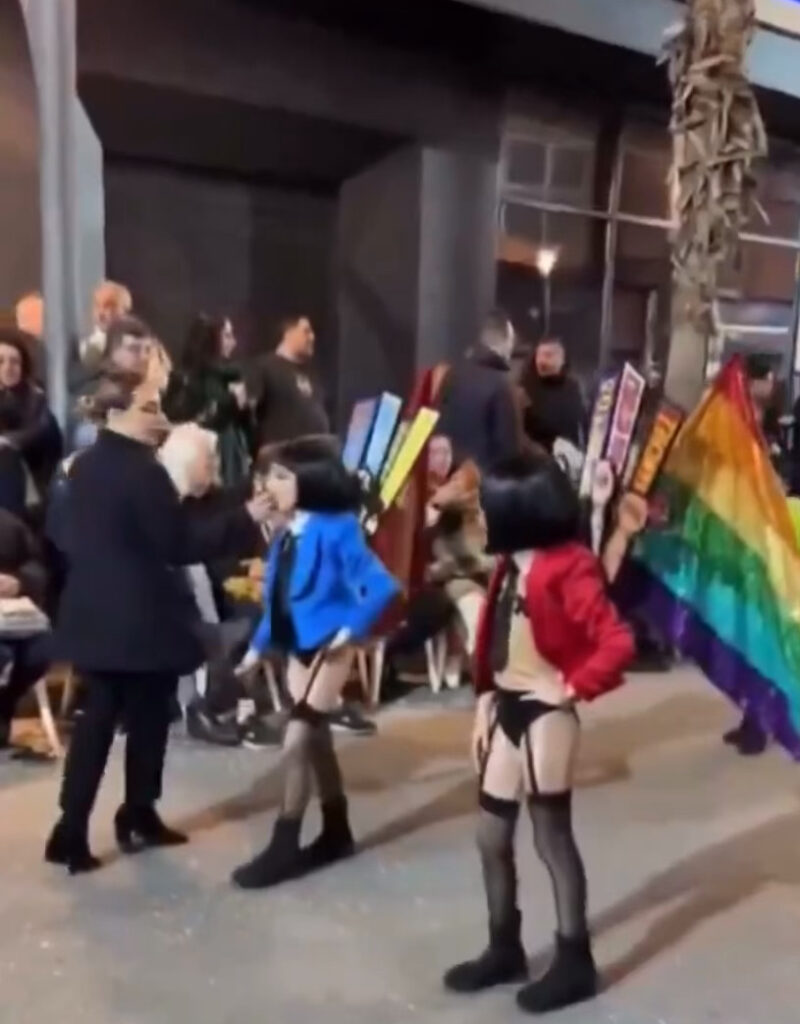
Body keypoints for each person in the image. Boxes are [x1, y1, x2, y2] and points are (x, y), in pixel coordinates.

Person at [44, 374, 273, 875]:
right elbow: (179, 544)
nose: (162, 418)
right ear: (117, 413)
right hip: (138, 618)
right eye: (150, 409)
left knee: (102, 722)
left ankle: (73, 827)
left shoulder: (79, 467)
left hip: (94, 612)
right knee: (142, 720)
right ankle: (135, 814)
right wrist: (247, 516)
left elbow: (63, 535)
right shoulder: (143, 472)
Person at [443, 452, 634, 1014]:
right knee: (490, 836)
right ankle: (505, 946)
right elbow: (495, 639)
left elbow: (615, 642)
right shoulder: (510, 564)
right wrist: (483, 699)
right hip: (507, 706)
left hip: (547, 714)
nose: (478, 513)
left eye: (486, 504)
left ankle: (575, 961)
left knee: (551, 839)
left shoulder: (567, 565)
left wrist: (570, 688)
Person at [230, 436, 399, 890]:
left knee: (297, 738)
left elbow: (381, 585)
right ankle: (336, 829)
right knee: (317, 743)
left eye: (283, 476)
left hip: (329, 646)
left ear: (310, 481)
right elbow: (277, 603)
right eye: (271, 475)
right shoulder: (286, 534)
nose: (271, 484)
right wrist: (254, 651)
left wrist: (350, 629)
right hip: (294, 647)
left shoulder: (337, 528)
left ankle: (285, 841)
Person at [722, 353, 779, 757]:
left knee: (764, 636)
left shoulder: (766, 427)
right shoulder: (738, 425)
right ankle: (751, 718)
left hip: (771, 539)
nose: (771, 385)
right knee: (749, 635)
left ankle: (761, 722)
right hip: (750, 536)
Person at [164, 314, 251, 486]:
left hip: (229, 458)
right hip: (194, 460)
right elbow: (179, 418)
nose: (233, 343)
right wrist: (232, 402)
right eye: (226, 335)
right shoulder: (185, 379)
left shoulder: (231, 377)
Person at [436, 309, 522, 469]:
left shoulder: (451, 375)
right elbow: (509, 453)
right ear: (505, 341)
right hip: (483, 485)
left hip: (451, 482)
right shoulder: (501, 385)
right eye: (512, 341)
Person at [0, 507, 53, 753]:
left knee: (41, 649)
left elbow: (37, 567)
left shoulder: (9, 524)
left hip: (12, 620)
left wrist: (20, 581)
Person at [0, 327, 62, 518]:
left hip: (31, 481)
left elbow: (38, 432)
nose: (8, 367)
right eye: (0, 361)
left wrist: (6, 441)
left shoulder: (35, 397)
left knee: (7, 457)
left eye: (15, 362)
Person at [72, 315, 154, 450]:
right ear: (111, 351)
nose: (143, 357)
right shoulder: (94, 394)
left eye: (148, 350)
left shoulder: (151, 390)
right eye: (134, 349)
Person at [247, 315, 329, 449]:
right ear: (288, 333)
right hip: (283, 462)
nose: (312, 337)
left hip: (317, 461)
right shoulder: (264, 367)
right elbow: (248, 412)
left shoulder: (312, 377)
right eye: (306, 331)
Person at [519, 338, 586, 453]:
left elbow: (582, 424)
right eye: (539, 355)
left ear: (562, 359)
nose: (541, 361)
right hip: (537, 461)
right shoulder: (523, 389)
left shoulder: (573, 387)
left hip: (570, 459)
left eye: (548, 355)